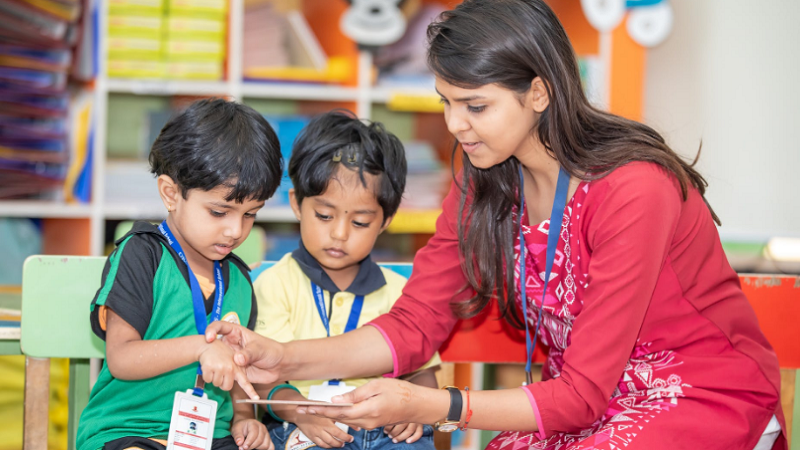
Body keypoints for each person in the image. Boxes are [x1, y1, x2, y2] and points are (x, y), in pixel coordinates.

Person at [204, 1, 786, 449]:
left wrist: (434, 406)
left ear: (539, 92)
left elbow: (581, 394)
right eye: (446, 102)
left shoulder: (634, 188)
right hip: (581, 405)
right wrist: (284, 357)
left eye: (475, 106)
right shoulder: (483, 180)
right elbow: (415, 325)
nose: (456, 124)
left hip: (702, 400)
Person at [76, 99, 283, 450]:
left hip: (212, 437)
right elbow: (122, 358)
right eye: (220, 211)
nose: (235, 231)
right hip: (129, 431)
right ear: (171, 194)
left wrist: (246, 418)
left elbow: (239, 369)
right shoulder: (141, 254)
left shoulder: (241, 281)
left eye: (251, 214)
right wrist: (201, 349)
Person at [252, 111, 440, 450]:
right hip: (305, 424)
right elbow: (267, 382)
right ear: (296, 203)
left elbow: (422, 371)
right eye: (324, 216)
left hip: (384, 429)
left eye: (360, 222)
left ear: (385, 221)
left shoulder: (402, 294)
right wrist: (303, 413)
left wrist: (416, 405)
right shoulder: (274, 285)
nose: (338, 234)